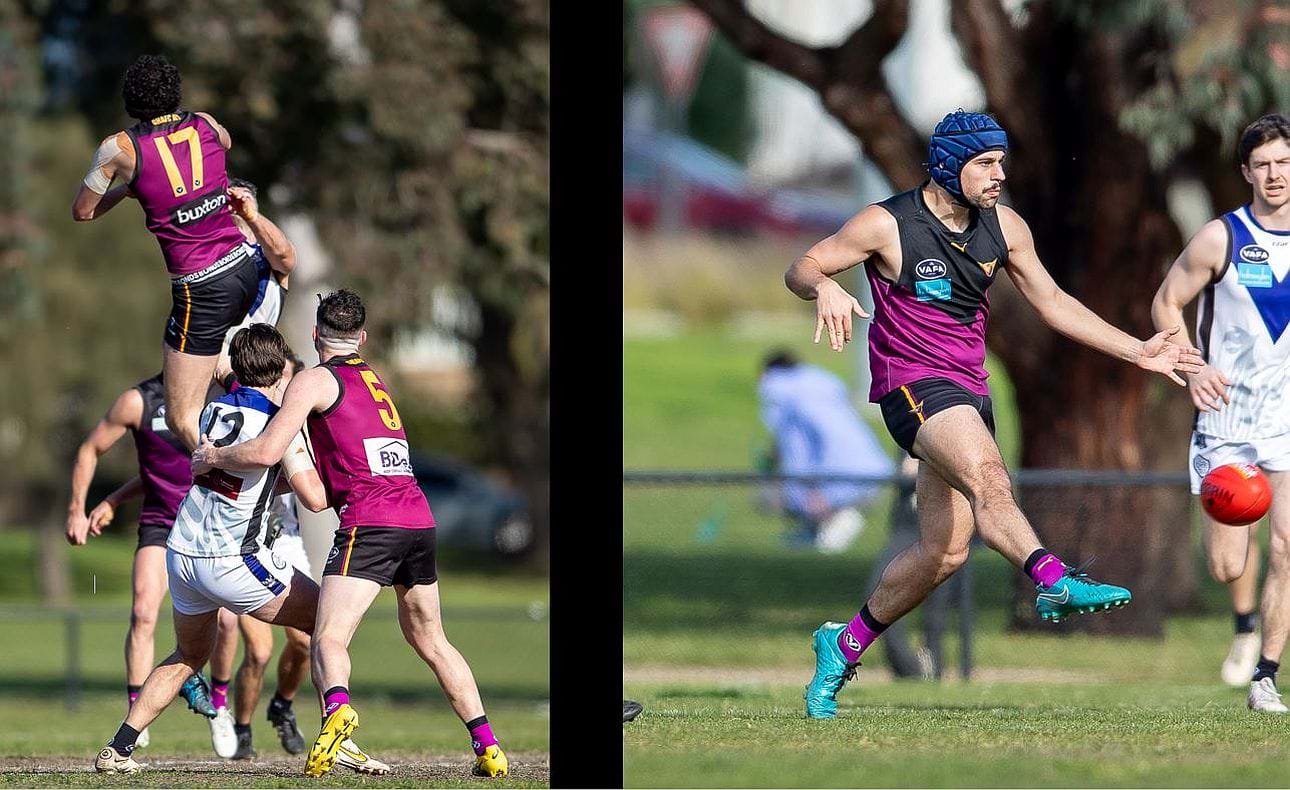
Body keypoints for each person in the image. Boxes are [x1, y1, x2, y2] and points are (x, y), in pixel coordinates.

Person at [785, 109, 1204, 719]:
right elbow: (802, 266)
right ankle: (1054, 580)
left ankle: (842, 644)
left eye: (1001, 161)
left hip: (968, 392)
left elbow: (1055, 304)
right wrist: (823, 285)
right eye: (986, 162)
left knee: (944, 552)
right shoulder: (886, 222)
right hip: (912, 387)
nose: (999, 173)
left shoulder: (1005, 228)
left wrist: (1137, 349)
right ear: (951, 164)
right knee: (989, 479)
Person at [191, 290, 509, 778]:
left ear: (316, 334)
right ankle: (487, 744)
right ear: (361, 338)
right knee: (432, 639)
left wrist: (212, 457)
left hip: (371, 521)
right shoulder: (375, 381)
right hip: (418, 520)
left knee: (327, 634)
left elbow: (267, 448)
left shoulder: (313, 380)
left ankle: (337, 715)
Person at [92, 325, 380, 775]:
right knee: (326, 622)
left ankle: (119, 748)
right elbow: (314, 497)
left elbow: (245, 475)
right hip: (232, 560)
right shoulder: (279, 422)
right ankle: (336, 735)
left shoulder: (213, 410)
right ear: (281, 368)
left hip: (182, 554)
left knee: (187, 655)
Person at [1150, 113, 1290, 710]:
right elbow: (1165, 303)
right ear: (1245, 171)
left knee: (1288, 549)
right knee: (1229, 565)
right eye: (1262, 164)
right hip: (1226, 418)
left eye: (1283, 162)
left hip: (1286, 418)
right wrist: (1193, 367)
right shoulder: (1220, 238)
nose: (1274, 174)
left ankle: (1265, 676)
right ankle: (1244, 620)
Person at [71, 54, 260, 451]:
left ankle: (236, 487)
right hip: (244, 266)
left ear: (130, 100)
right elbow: (224, 141)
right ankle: (268, 411)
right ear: (175, 93)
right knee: (216, 365)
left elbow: (83, 211)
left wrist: (128, 188)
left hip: (201, 287)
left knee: (180, 416)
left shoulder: (118, 149)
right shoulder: (205, 123)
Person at [65, 372, 223, 750]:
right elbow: (92, 450)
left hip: (210, 523)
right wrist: (80, 508)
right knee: (143, 612)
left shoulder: (219, 397)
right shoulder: (138, 401)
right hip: (160, 523)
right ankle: (138, 711)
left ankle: (221, 703)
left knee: (230, 625)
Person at [758, 350, 893, 552]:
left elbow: (801, 452)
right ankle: (822, 529)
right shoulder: (824, 390)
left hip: (840, 479)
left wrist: (814, 490)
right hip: (874, 469)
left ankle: (833, 528)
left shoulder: (788, 395)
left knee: (769, 497)